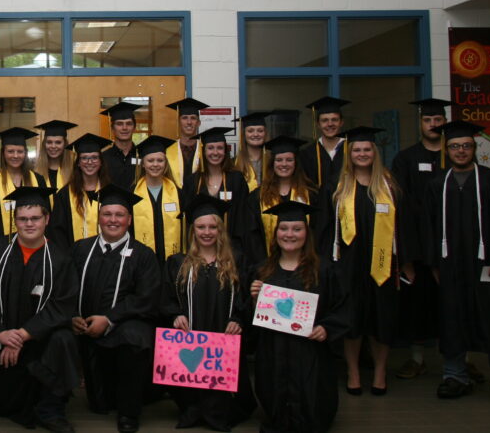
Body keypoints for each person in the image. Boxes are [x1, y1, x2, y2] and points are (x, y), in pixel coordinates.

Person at [426, 120, 490, 408]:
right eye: (455, 146)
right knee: (453, 318)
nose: (461, 151)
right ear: (447, 150)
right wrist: (434, 264)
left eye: (466, 146)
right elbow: (429, 226)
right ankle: (455, 376)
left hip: (488, 264)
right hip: (451, 265)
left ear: (474, 148)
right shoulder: (437, 184)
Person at [0, 186, 81, 433]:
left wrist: (23, 335)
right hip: (0, 341)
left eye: (35, 218)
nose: (29, 224)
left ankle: (51, 409)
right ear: (15, 220)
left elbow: (61, 305)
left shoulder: (60, 259)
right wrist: (0, 333)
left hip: (39, 344)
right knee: (2, 404)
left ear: (46, 219)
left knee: (63, 338)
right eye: (23, 219)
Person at [331, 125, 417, 396]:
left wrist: (406, 263)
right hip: (349, 266)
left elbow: (404, 226)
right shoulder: (338, 187)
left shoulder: (390, 186)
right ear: (349, 154)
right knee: (353, 321)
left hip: (383, 264)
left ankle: (380, 372)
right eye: (356, 149)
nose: (362, 153)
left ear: (375, 152)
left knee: (382, 320)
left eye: (367, 149)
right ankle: (353, 372)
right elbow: (326, 229)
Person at [249, 201, 349, 433]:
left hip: (310, 350)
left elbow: (342, 306)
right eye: (284, 228)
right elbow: (251, 318)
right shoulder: (263, 271)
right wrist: (254, 299)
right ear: (276, 233)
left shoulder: (324, 270)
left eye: (297, 229)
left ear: (307, 233)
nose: (289, 234)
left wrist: (326, 328)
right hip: (274, 349)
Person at [71, 185, 162, 433]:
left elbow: (147, 298)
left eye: (119, 215)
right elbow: (66, 287)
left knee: (136, 336)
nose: (113, 220)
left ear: (129, 220)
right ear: (99, 217)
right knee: (99, 403)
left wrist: (109, 319)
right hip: (85, 328)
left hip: (123, 328)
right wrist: (73, 316)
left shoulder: (143, 255)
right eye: (107, 214)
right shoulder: (81, 249)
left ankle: (129, 414)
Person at [164, 195, 253, 431]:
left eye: (212, 227)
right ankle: (193, 409)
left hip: (224, 331)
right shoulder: (178, 263)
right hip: (191, 332)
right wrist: (176, 315)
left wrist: (238, 319)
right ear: (193, 230)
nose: (206, 232)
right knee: (192, 369)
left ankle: (219, 411)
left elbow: (245, 297)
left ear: (220, 230)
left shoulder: (236, 261)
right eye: (201, 227)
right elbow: (167, 298)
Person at [389, 98, 451, 379]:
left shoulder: (455, 155)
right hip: (416, 246)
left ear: (444, 122)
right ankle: (416, 359)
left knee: (454, 304)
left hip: (450, 245)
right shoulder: (405, 159)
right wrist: (406, 257)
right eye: (428, 120)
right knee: (417, 305)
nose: (433, 125)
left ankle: (459, 359)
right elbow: (399, 208)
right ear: (420, 123)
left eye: (437, 120)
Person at [243, 135, 324, 263]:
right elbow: (252, 236)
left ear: (296, 163)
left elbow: (318, 231)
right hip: (267, 266)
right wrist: (263, 266)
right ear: (272, 164)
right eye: (279, 160)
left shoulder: (311, 195)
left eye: (289, 160)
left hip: (305, 264)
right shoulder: (257, 197)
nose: (284, 164)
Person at [182, 127, 250, 252]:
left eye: (220, 148)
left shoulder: (236, 180)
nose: (215, 152)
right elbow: (188, 220)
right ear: (203, 151)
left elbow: (243, 217)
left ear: (225, 151)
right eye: (210, 148)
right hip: (200, 249)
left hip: (231, 247)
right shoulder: (192, 182)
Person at [0, 126, 48, 241]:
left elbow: (45, 213)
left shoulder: (38, 180)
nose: (15, 156)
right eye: (10, 151)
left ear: (25, 153)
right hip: (1, 243)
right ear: (3, 153)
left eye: (20, 151)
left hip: (34, 242)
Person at [49, 133, 111, 244]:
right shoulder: (64, 195)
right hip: (74, 254)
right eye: (84, 158)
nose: (90, 162)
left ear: (101, 162)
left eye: (94, 157)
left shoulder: (111, 192)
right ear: (78, 163)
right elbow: (57, 233)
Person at [131, 134, 186, 260]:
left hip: (172, 259)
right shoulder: (133, 193)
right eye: (150, 160)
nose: (155, 164)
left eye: (160, 160)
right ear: (143, 164)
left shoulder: (177, 193)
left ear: (166, 163)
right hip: (141, 260)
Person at [299, 96, 349, 197]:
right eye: (325, 120)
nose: (330, 124)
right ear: (318, 124)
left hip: (348, 203)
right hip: (317, 204)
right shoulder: (307, 153)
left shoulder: (352, 150)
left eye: (334, 120)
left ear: (341, 122)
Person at [100, 101, 142, 190]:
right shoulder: (103, 158)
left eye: (129, 123)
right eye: (119, 124)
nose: (124, 128)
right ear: (112, 128)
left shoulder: (143, 156)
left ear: (134, 127)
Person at [166, 97, 209, 184]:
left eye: (193, 118)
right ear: (178, 122)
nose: (189, 122)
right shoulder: (167, 150)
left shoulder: (206, 149)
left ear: (198, 123)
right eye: (184, 118)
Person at [34, 119, 77, 193]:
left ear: (65, 144)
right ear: (44, 144)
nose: (53, 146)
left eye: (58, 142)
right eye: (49, 142)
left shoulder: (74, 171)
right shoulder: (35, 173)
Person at [233, 111, 271, 191]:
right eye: (250, 131)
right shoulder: (234, 163)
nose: (256, 134)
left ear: (265, 133)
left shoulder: (274, 161)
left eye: (260, 131)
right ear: (244, 134)